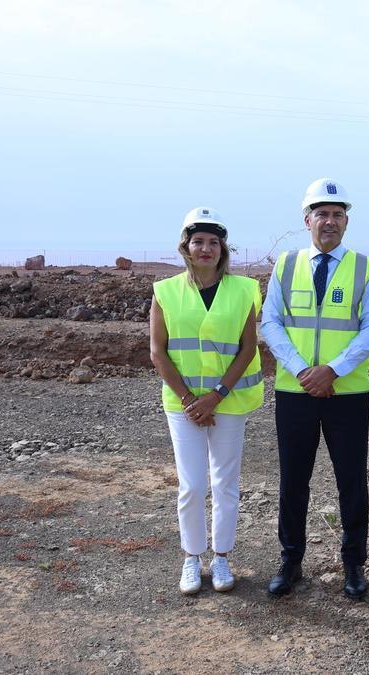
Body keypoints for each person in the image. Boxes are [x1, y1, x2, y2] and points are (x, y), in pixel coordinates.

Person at [258, 178, 369, 600]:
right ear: (306, 219)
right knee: (294, 480)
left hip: (346, 394)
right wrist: (302, 371)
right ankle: (290, 560)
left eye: (337, 214)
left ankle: (353, 564)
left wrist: (331, 370)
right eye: (321, 214)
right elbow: (271, 323)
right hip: (295, 393)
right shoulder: (286, 265)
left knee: (351, 481)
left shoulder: (365, 268)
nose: (329, 221)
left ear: (346, 221)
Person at [149, 206, 264, 595]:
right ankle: (191, 558)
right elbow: (158, 352)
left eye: (213, 242)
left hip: (227, 402)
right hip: (183, 406)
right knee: (193, 485)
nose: (206, 248)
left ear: (222, 249)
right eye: (198, 241)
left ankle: (222, 558)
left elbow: (248, 348)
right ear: (186, 246)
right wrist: (189, 399)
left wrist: (215, 397)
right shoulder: (165, 292)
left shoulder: (245, 289)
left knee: (225, 483)